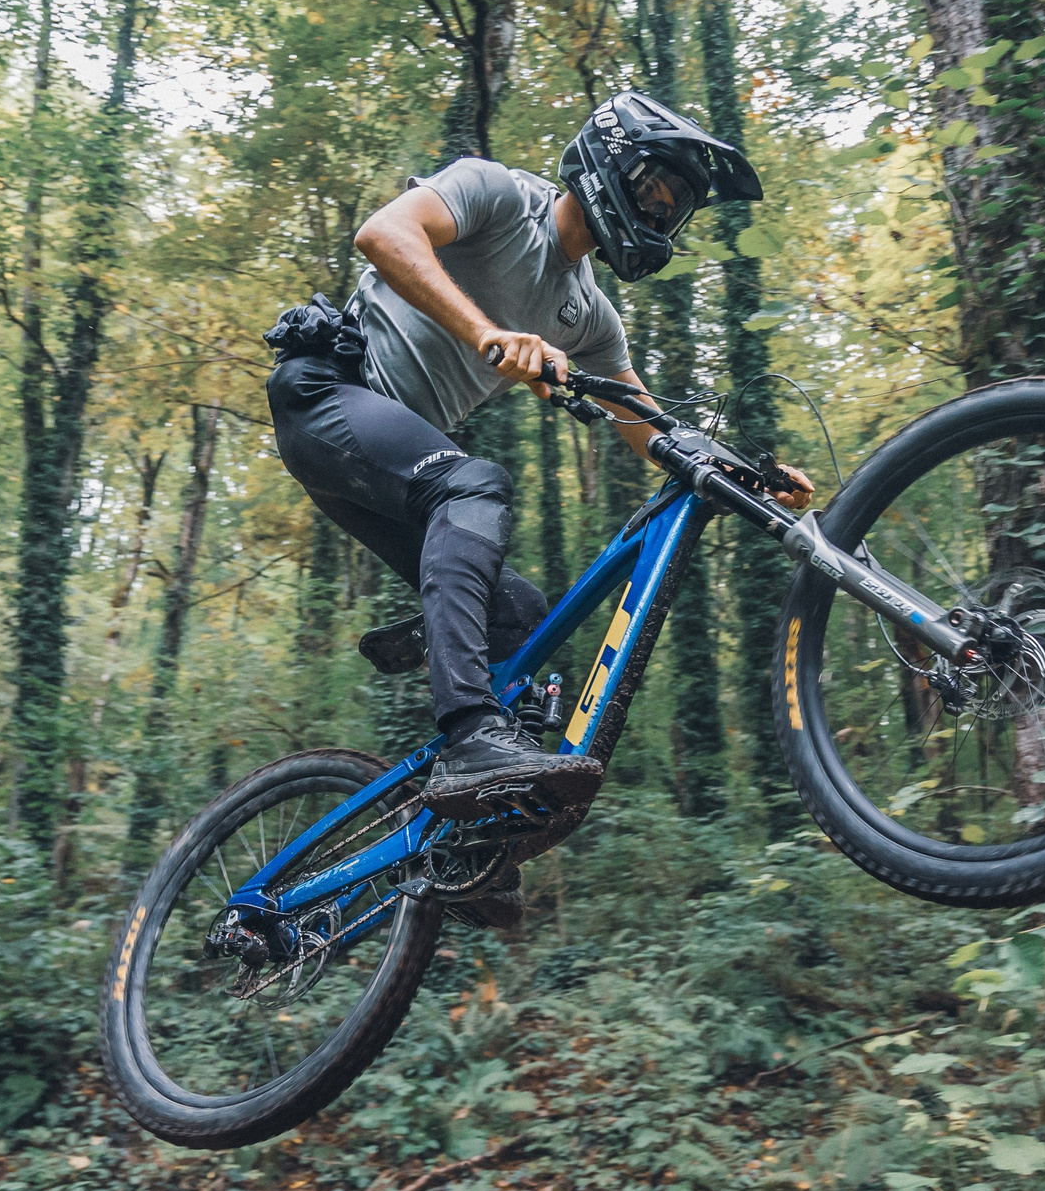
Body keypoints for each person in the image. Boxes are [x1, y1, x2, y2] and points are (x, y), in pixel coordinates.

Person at [265, 91, 812, 835]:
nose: (658, 214)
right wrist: (488, 334)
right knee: (474, 484)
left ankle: (470, 844)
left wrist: (749, 476)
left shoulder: (588, 316)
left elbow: (649, 427)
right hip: (326, 397)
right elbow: (382, 233)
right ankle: (470, 734)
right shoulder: (496, 192)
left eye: (672, 209)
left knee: (522, 616)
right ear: (610, 162)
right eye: (653, 191)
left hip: (386, 469)